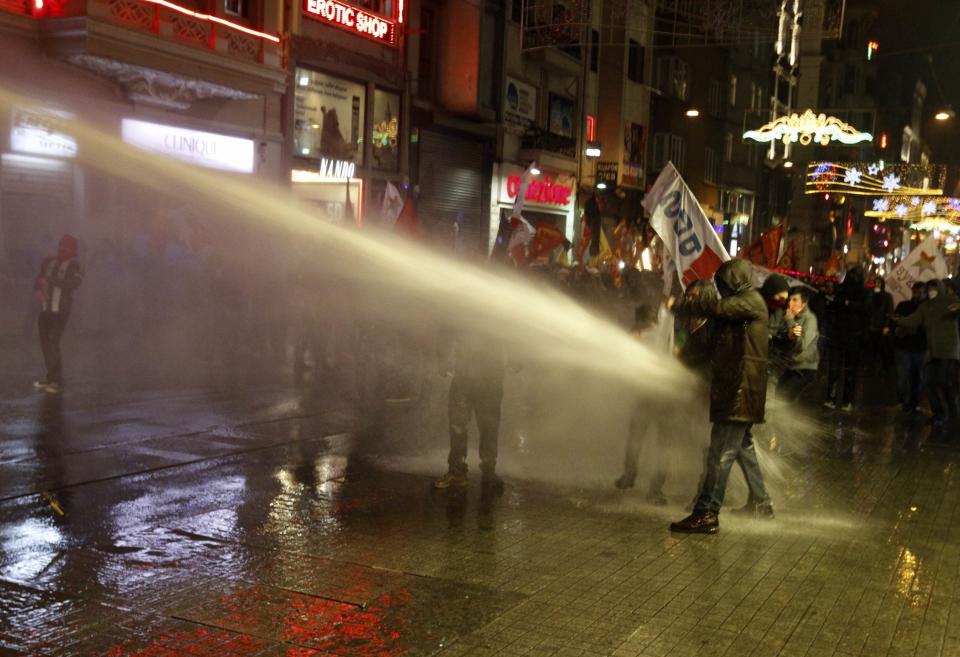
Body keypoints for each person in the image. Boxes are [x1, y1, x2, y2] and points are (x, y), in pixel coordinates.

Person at [670, 258, 773, 534]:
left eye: (724, 284)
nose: (721, 290)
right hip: (737, 391)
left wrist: (682, 304)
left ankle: (707, 512)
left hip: (739, 393)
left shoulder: (750, 301)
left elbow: (715, 307)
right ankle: (761, 503)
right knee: (742, 448)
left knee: (719, 454)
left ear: (735, 281)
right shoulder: (741, 310)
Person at [433, 329, 508, 492]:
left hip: (489, 377)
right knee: (458, 424)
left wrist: (518, 357)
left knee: (488, 425)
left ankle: (487, 472)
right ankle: (458, 471)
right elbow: (446, 329)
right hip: (467, 376)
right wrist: (443, 359)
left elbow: (513, 327)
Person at [615, 303, 672, 504]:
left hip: (665, 398)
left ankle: (656, 489)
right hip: (644, 395)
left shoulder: (667, 334)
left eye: (642, 325)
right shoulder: (638, 334)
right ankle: (629, 475)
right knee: (636, 436)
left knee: (664, 443)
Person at [896, 279, 960, 426]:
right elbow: (913, 320)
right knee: (928, 383)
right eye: (929, 289)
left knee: (943, 382)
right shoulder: (925, 307)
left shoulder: (950, 301)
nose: (932, 291)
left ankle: (952, 410)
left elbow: (957, 308)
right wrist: (899, 320)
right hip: (932, 351)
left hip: (948, 351)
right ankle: (939, 413)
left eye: (934, 288)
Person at [33, 235, 82, 393]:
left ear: (73, 250)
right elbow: (38, 279)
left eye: (66, 247)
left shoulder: (74, 265)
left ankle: (56, 380)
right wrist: (38, 290)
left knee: (53, 342)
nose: (62, 249)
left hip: (60, 310)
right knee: (45, 344)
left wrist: (50, 279)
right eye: (61, 246)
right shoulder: (49, 261)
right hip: (45, 308)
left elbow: (72, 284)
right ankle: (50, 378)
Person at [824, 266, 870, 411]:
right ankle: (831, 398)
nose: (852, 279)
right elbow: (833, 310)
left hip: (854, 337)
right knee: (834, 370)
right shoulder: (841, 291)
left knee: (850, 372)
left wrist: (848, 304)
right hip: (838, 336)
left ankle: (847, 400)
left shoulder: (864, 293)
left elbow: (866, 310)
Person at [776, 286, 820, 403]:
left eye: (795, 300)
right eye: (790, 300)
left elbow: (801, 345)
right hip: (791, 365)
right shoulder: (790, 316)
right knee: (778, 394)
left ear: (804, 303)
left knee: (784, 398)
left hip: (805, 368)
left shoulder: (810, 320)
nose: (790, 304)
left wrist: (790, 322)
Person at [892, 282, 927, 416]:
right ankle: (904, 402)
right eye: (916, 292)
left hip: (920, 348)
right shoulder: (904, 305)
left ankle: (915, 403)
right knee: (902, 378)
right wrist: (897, 329)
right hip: (904, 348)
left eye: (921, 292)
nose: (917, 295)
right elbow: (894, 321)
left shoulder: (927, 309)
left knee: (918, 378)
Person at [866, 278, 894, 374]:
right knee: (871, 349)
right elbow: (867, 309)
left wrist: (886, 325)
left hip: (881, 326)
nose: (877, 284)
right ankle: (871, 368)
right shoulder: (870, 295)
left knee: (882, 349)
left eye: (879, 283)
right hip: (871, 326)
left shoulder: (887, 296)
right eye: (875, 282)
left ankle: (883, 368)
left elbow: (889, 312)